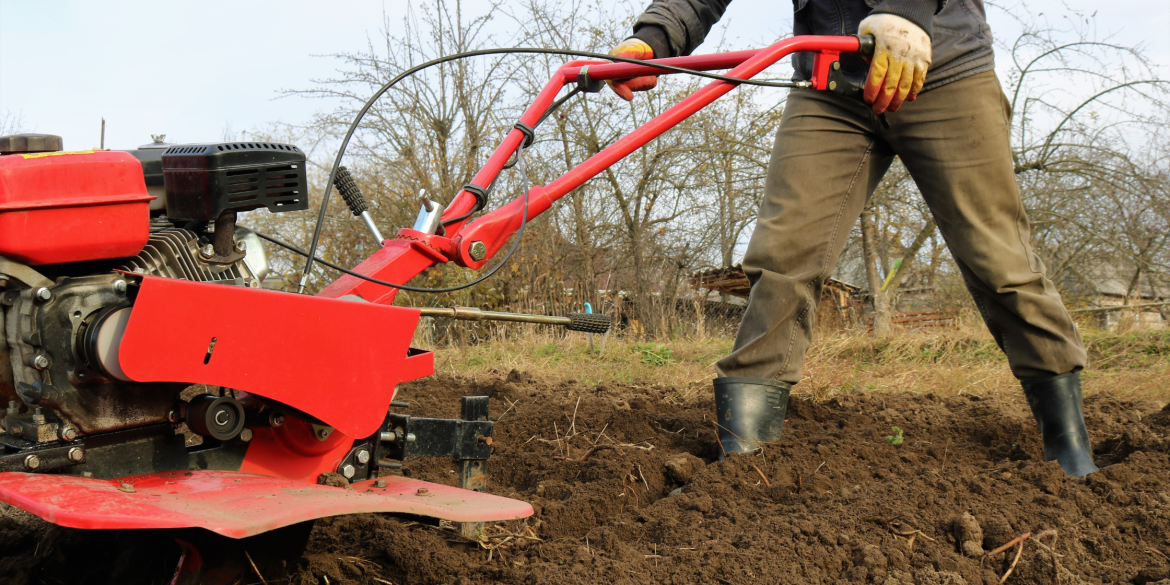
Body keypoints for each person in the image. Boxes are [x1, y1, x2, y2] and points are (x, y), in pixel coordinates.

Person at [607, 0, 1098, 476]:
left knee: (999, 261)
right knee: (782, 258)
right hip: (830, 81)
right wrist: (656, 36)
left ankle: (1067, 441)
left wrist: (906, 12)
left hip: (942, 68)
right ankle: (743, 453)